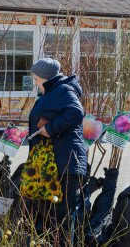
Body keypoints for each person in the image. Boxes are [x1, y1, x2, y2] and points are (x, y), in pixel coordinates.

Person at [27, 58, 87, 243]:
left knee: (62, 217)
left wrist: (50, 129)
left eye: (36, 78)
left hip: (64, 165)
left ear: (44, 77)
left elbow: (76, 113)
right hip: (54, 164)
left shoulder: (63, 90)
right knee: (53, 216)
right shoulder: (52, 91)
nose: (34, 81)